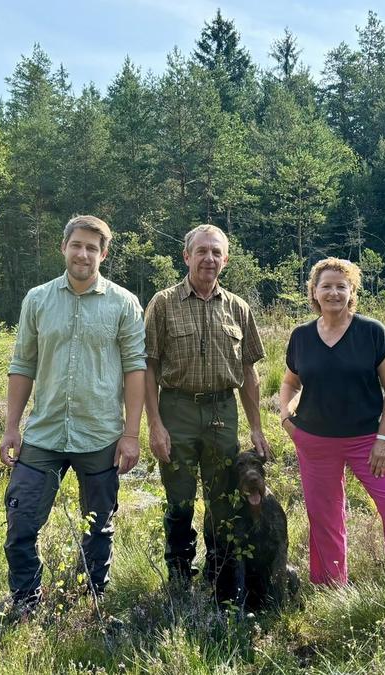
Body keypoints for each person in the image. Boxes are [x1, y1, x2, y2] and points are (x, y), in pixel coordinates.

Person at [0, 215, 146, 613]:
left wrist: (131, 434)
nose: (83, 253)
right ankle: (26, 601)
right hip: (44, 434)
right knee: (21, 524)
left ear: (104, 253)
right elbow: (22, 365)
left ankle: (92, 601)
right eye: (77, 245)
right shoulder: (38, 299)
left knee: (98, 527)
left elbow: (136, 370)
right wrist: (12, 428)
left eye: (92, 247)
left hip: (100, 435)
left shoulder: (124, 303)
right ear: (63, 247)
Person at [278, 257, 385, 586]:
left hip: (367, 441)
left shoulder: (371, 332)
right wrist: (286, 416)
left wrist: (383, 441)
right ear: (314, 292)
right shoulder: (301, 336)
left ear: (352, 291)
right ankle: (332, 588)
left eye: (340, 286)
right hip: (315, 441)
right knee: (325, 518)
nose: (333, 292)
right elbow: (290, 382)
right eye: (326, 286)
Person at [144, 224, 270, 605]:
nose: (209, 259)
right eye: (201, 251)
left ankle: (220, 579)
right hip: (177, 408)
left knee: (223, 501)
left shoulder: (238, 308)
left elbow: (248, 371)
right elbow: (146, 366)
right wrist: (154, 424)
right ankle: (180, 578)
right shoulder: (163, 303)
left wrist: (257, 427)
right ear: (186, 256)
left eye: (216, 253)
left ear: (225, 260)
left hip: (222, 411)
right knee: (179, 500)